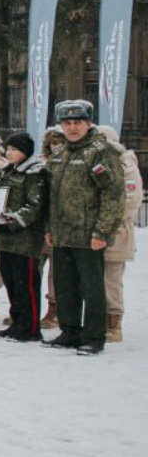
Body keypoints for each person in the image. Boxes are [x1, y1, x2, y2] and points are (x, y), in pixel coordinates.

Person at [45, 100, 126, 355]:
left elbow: (113, 195)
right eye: (67, 123)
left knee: (92, 288)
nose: (72, 128)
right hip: (63, 233)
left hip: (89, 234)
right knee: (65, 286)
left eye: (77, 122)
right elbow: (52, 196)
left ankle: (93, 336)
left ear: (89, 123)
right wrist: (50, 227)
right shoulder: (60, 154)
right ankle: (70, 331)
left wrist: (102, 231)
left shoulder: (101, 152)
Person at [0, 131, 47, 342]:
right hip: (5, 238)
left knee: (26, 285)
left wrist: (12, 221)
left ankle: (30, 327)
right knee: (12, 283)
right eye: (8, 149)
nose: (9, 152)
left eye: (14, 149)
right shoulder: (8, 172)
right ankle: (18, 322)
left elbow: (35, 205)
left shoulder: (34, 173)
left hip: (24, 239)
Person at [98, 125, 139, 342]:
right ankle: (98, 319)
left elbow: (131, 201)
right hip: (95, 231)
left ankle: (114, 321)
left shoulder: (126, 167)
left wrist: (106, 220)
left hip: (117, 231)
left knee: (111, 279)